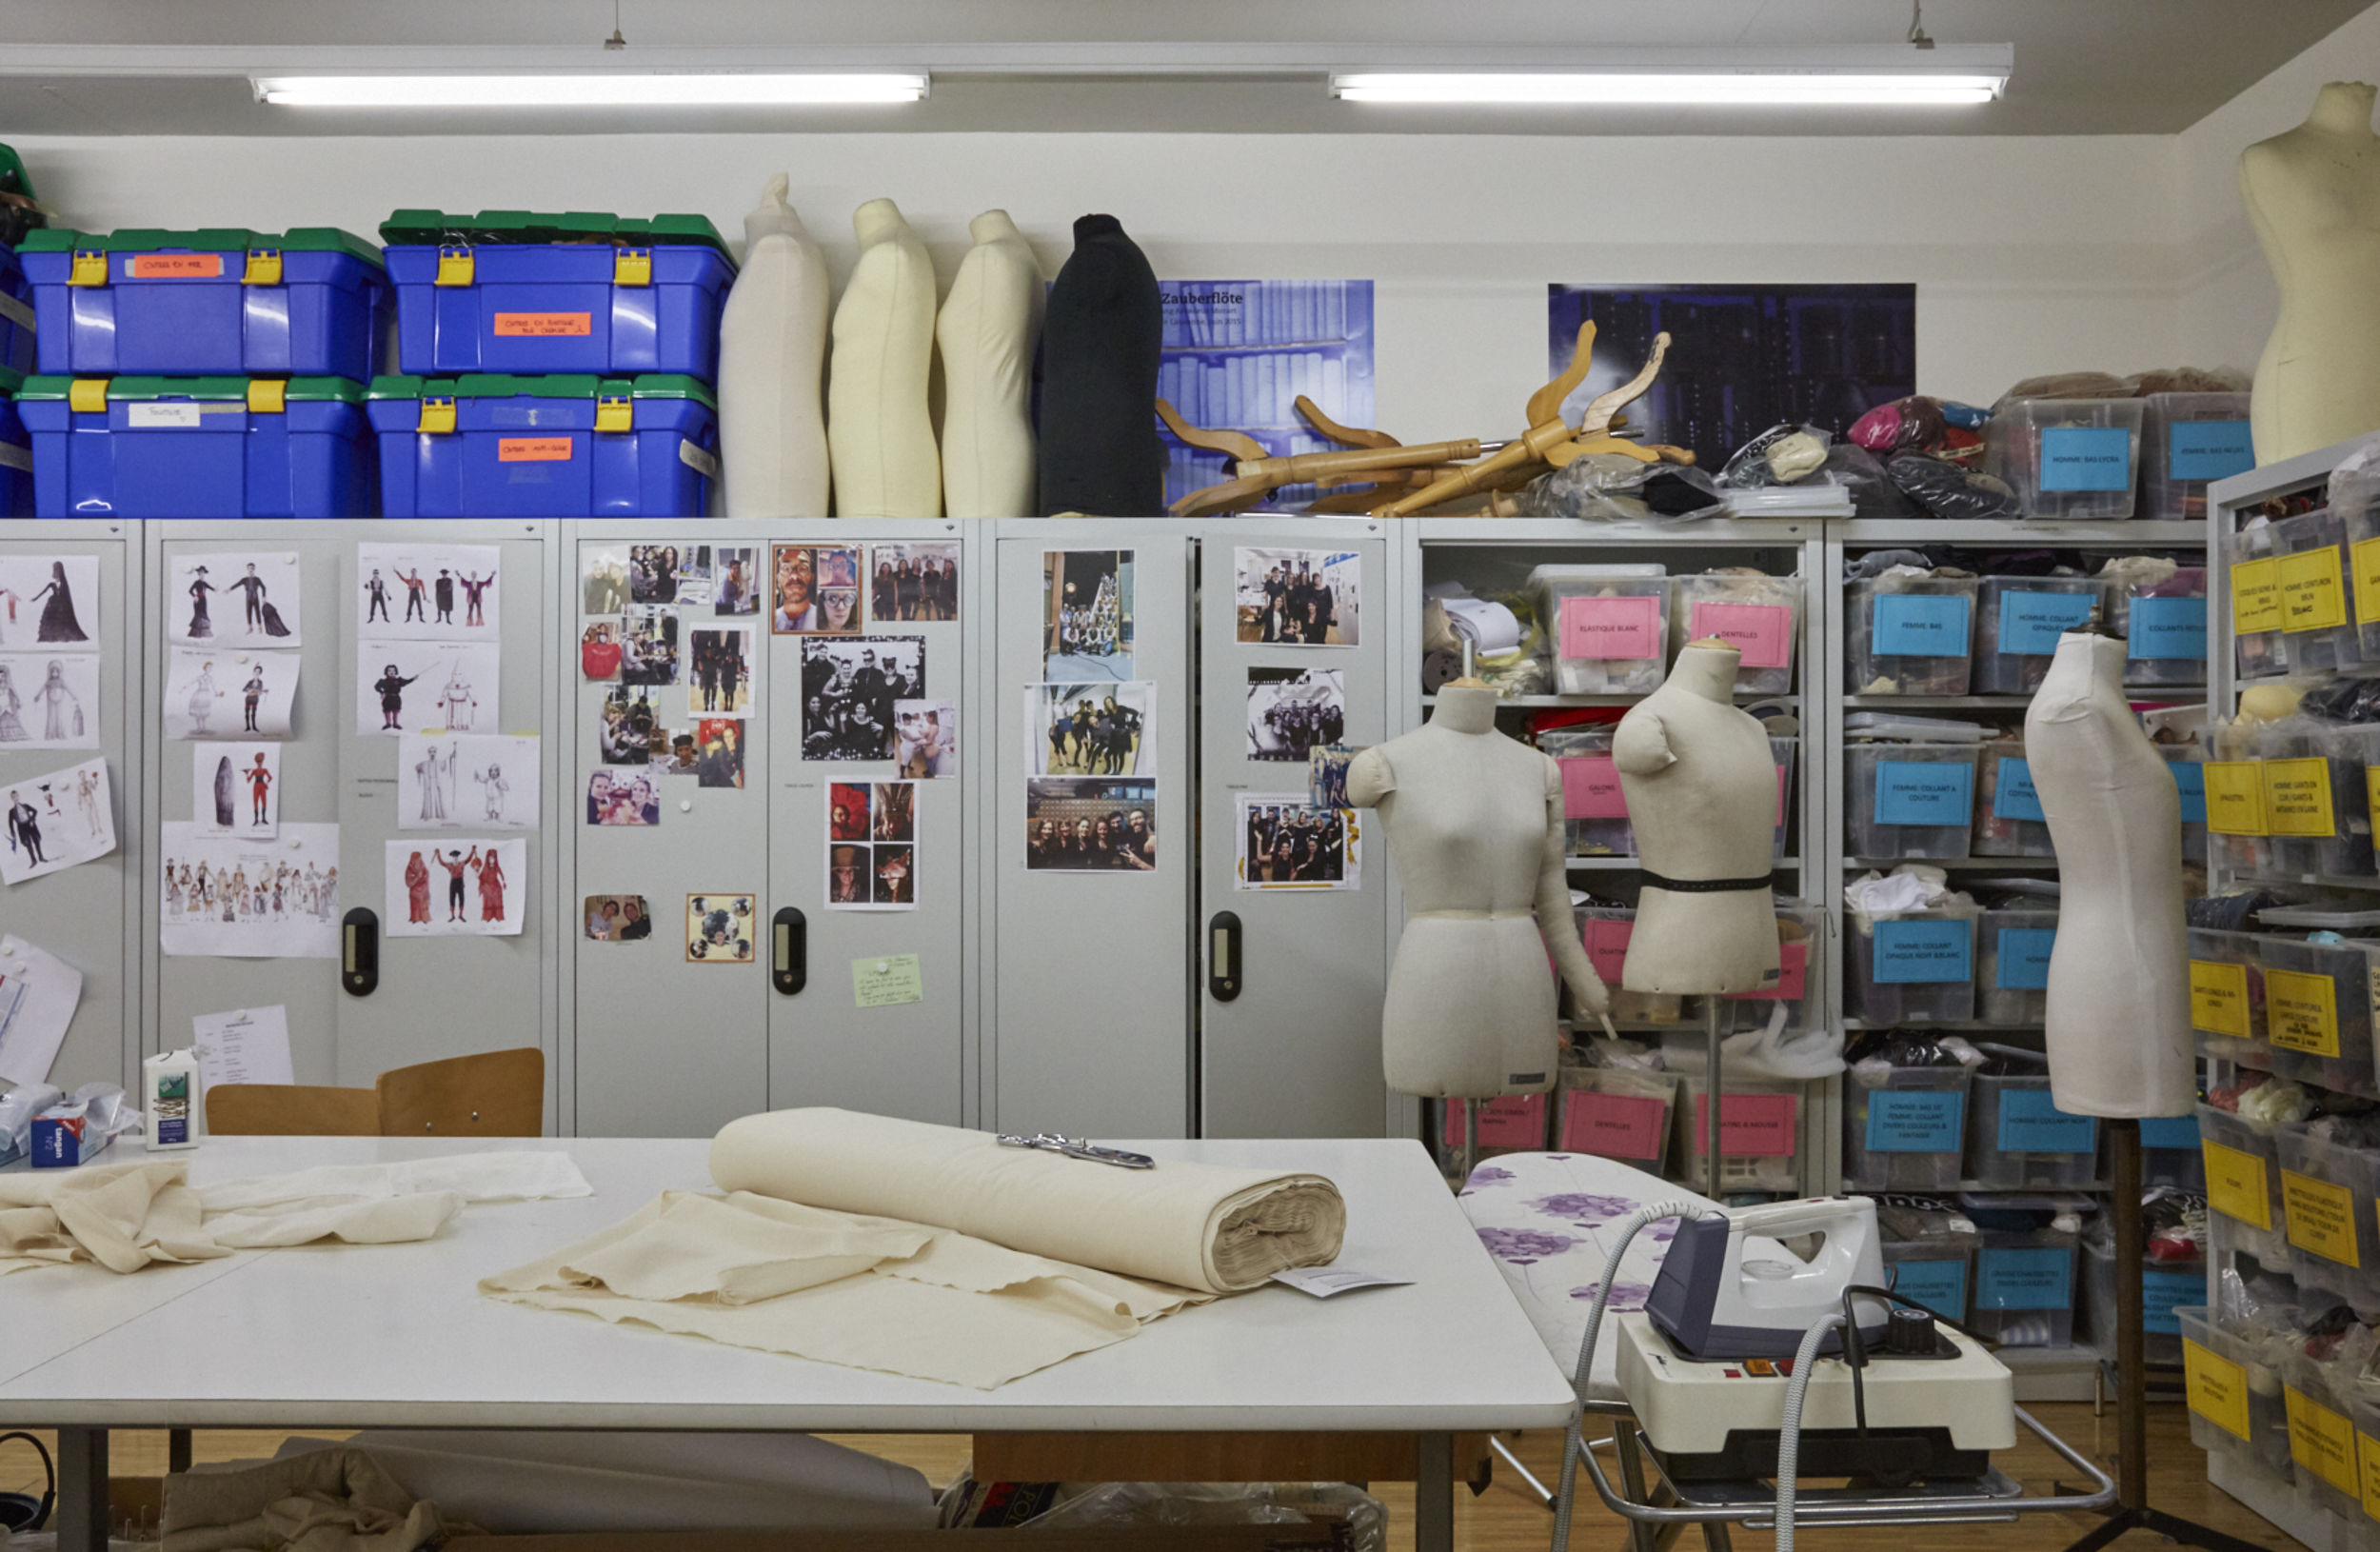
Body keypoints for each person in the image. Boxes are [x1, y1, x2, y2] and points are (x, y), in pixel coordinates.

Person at [33, 562, 85, 644]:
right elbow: (43, 592)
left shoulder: (64, 583)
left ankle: (60, 636)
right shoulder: (52, 584)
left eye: (57, 570)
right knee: (50, 620)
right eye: (55, 570)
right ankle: (51, 636)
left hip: (61, 606)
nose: (56, 572)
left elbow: (65, 595)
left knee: (60, 621)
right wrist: (35, 598)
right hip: (53, 604)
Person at [774, 547, 821, 630]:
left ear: (812, 577)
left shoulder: (824, 621)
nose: (794, 576)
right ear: (778, 579)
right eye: (786, 568)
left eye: (802, 568)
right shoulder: (769, 621)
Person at [372, 666, 416, 731]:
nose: (392, 672)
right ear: (386, 672)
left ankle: (395, 724)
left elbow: (406, 682)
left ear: (396, 672)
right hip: (387, 698)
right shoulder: (383, 681)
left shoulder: (399, 680)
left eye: (393, 671)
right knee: (387, 711)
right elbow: (376, 687)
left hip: (396, 698)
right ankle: (388, 723)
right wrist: (382, 693)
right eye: (389, 671)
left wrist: (413, 679)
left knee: (396, 711)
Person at [6, 788, 42, 866]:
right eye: (13, 797)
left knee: (36, 841)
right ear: (11, 799)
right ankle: (34, 860)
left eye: (16, 796)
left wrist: (32, 820)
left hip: (30, 825)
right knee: (28, 843)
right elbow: (10, 823)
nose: (15, 798)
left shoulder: (25, 806)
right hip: (22, 828)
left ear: (19, 796)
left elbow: (35, 811)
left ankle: (41, 857)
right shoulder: (11, 811)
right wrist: (12, 833)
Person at [231, 563, 270, 634]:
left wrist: (264, 597)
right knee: (248, 612)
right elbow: (237, 584)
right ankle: (250, 628)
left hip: (255, 596)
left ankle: (260, 627)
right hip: (248, 597)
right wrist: (229, 589)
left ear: (254, 569)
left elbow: (263, 587)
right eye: (249, 568)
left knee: (257, 612)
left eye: (252, 568)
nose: (251, 570)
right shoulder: (244, 579)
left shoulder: (257, 579)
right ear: (247, 569)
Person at [436, 847, 473, 923]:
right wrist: (438, 854)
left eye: (456, 857)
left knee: (461, 898)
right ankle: (452, 916)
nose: (455, 858)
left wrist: (472, 851)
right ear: (452, 858)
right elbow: (441, 862)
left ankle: (460, 915)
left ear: (458, 857)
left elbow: (468, 859)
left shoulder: (462, 863)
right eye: (454, 857)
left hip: (460, 882)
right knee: (452, 898)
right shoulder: (449, 865)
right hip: (453, 882)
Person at [473, 846, 506, 924]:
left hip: (496, 886)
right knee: (488, 901)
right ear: (487, 859)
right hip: (487, 887)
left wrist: (503, 881)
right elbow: (480, 877)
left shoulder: (496, 867)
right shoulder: (485, 868)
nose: (492, 860)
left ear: (495, 859)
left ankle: (497, 916)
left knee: (497, 900)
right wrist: (476, 871)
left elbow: (501, 874)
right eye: (490, 858)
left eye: (493, 858)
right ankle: (488, 916)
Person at [186, 565, 217, 639]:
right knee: (198, 615)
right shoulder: (196, 582)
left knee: (204, 614)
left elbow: (211, 588)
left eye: (203, 573)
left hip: (204, 600)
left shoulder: (204, 583)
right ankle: (196, 634)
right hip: (198, 600)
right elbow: (190, 591)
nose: (202, 574)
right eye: (200, 573)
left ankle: (204, 634)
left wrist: (215, 589)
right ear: (198, 574)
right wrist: (195, 596)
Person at [187, 662, 217, 736]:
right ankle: (199, 727)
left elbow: (213, 687)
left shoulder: (210, 678)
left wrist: (216, 693)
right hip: (199, 694)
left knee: (204, 712)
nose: (209, 669)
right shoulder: (200, 677)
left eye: (210, 667)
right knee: (198, 711)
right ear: (205, 668)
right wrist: (185, 687)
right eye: (208, 667)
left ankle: (203, 727)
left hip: (206, 695)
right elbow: (192, 682)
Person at [404, 850, 430, 925]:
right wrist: (416, 878)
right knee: (415, 906)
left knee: (423, 905)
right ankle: (415, 918)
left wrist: (425, 875)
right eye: (415, 860)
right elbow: (408, 883)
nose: (417, 862)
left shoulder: (423, 867)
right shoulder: (409, 869)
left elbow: (426, 878)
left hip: (423, 891)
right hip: (414, 892)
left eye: (419, 859)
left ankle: (424, 918)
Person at [246, 752, 272, 826]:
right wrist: (247, 774)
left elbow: (270, 778)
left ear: (262, 762)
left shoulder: (265, 770)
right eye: (258, 762)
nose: (259, 763)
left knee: (264, 802)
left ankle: (263, 819)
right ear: (256, 762)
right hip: (256, 787)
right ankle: (256, 820)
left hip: (262, 786)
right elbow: (248, 780)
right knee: (255, 802)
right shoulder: (254, 771)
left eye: (261, 761)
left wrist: (266, 783)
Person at [241, 667, 268, 734]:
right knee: (247, 712)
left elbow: (260, 692)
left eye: (258, 672)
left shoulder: (260, 682)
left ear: (260, 674)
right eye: (256, 672)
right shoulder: (250, 682)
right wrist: (249, 690)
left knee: (254, 713)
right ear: (253, 673)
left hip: (255, 699)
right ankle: (248, 726)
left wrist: (260, 692)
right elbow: (243, 689)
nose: (257, 674)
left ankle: (254, 727)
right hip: (248, 699)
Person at [0, 665, 21, 743]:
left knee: (10, 720)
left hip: (8, 705)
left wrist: (18, 700)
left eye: (2, 676)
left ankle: (11, 736)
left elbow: (14, 692)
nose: (1, 678)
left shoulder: (8, 685)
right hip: (1, 705)